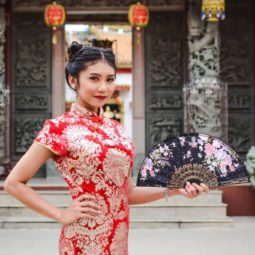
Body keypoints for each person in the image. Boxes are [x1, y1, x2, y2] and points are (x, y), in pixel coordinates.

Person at [4, 41, 209, 255]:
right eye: (94, 78)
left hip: (118, 240)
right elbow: (13, 183)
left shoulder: (117, 130)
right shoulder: (59, 128)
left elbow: (127, 193)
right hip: (82, 240)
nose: (104, 88)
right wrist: (60, 214)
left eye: (110, 79)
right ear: (73, 80)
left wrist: (176, 189)